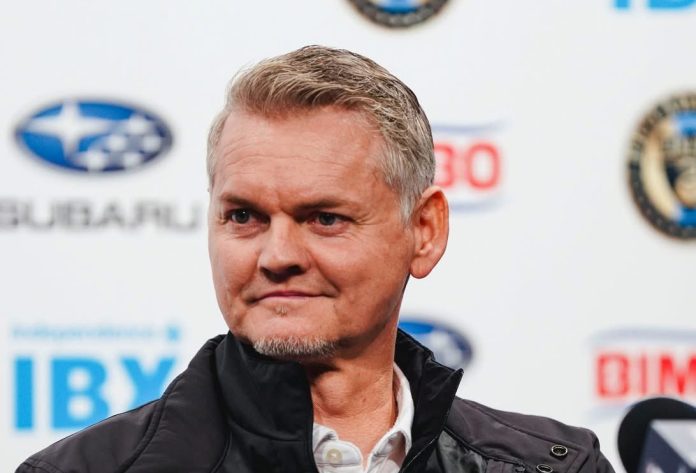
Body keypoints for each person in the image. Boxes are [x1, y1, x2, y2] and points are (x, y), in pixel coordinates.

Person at [17, 45, 614, 473]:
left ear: (424, 232)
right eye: (244, 216)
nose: (277, 256)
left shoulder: (553, 464)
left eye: (325, 218)